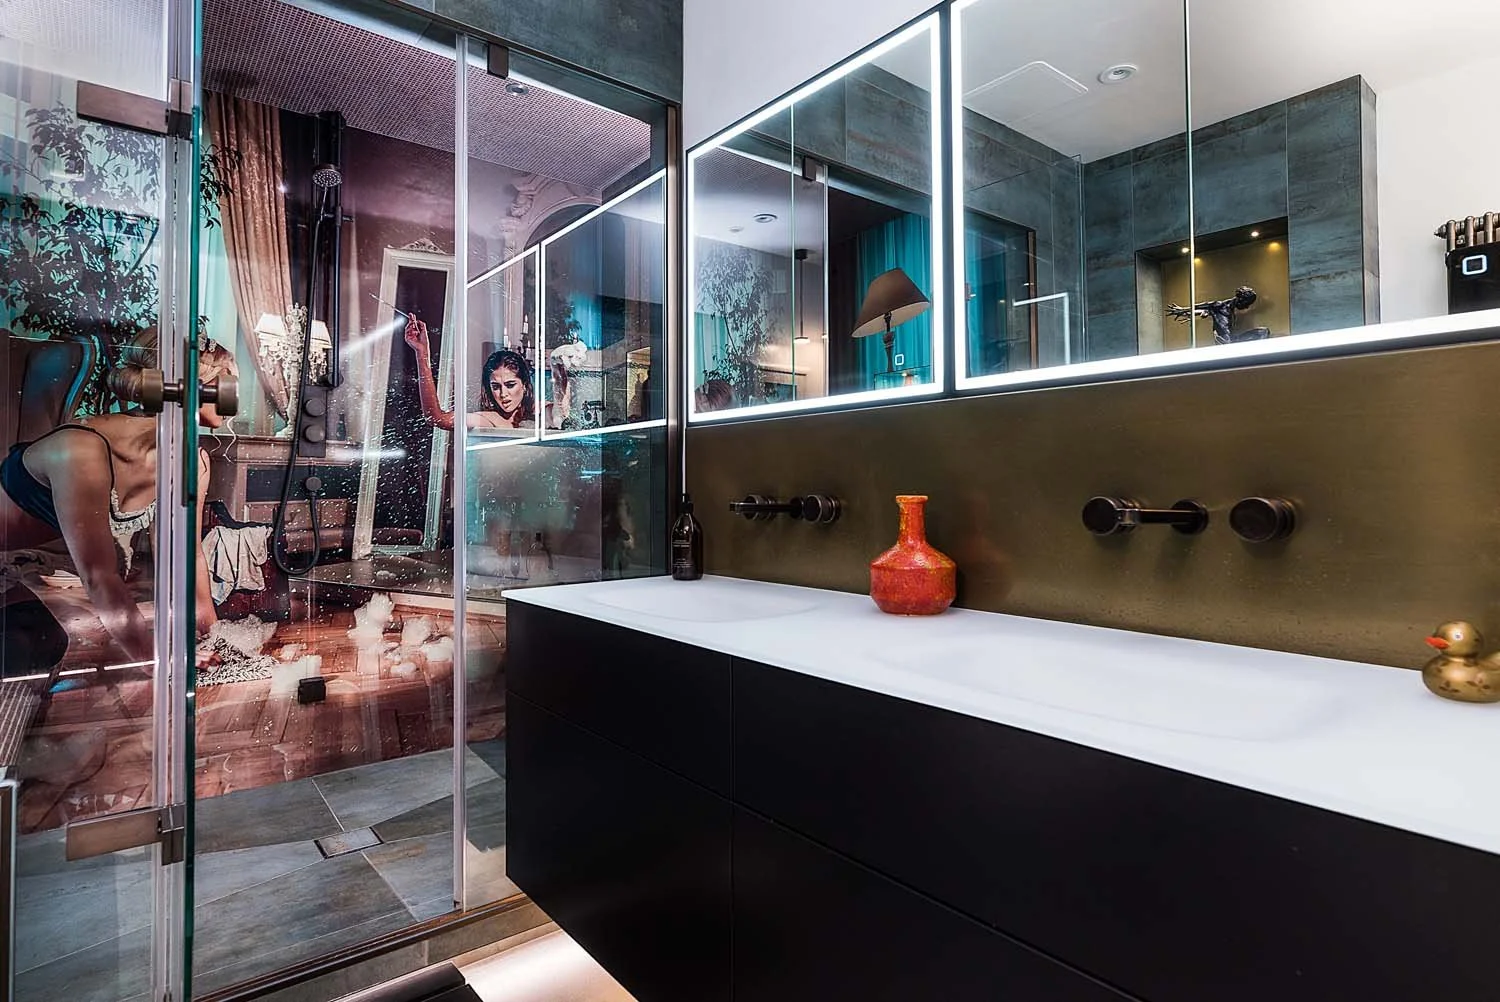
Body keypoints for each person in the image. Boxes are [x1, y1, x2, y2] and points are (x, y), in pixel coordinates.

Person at [0, 327, 232, 671]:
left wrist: (218, 639)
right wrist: (154, 659)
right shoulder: (82, 450)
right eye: (230, 380)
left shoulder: (192, 462)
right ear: (200, 387)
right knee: (29, 646)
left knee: (42, 641)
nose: (237, 396)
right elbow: (99, 575)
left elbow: (188, 557)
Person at [404, 315, 573, 430]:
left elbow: (561, 411)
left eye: (510, 385)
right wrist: (422, 354)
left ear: (524, 385)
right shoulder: (488, 419)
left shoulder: (540, 410)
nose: (503, 394)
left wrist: (559, 369)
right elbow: (435, 418)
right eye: (496, 386)